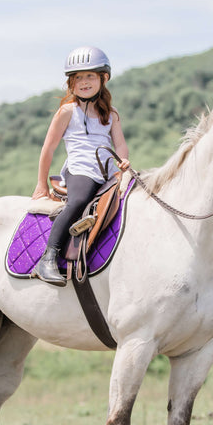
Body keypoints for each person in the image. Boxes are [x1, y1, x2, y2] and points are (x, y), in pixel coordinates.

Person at [31, 46, 130, 286]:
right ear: (71, 83)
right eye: (78, 78)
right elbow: (48, 148)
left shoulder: (111, 114)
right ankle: (49, 258)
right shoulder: (67, 111)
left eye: (89, 76)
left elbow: (121, 146)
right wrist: (40, 184)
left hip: (107, 172)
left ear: (102, 79)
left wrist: (123, 163)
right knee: (78, 200)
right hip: (81, 169)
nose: (84, 82)